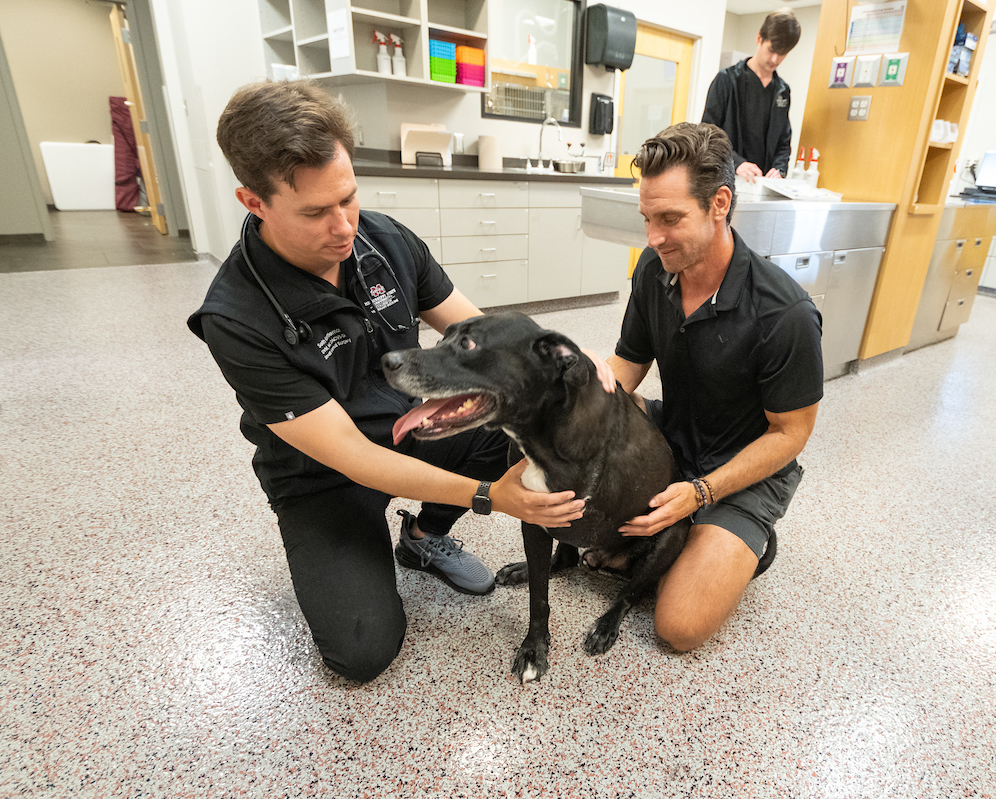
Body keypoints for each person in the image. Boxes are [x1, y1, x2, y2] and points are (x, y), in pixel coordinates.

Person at [187, 80, 606, 683]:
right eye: (315, 212)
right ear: (254, 202)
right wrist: (491, 498)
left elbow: (475, 331)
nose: (343, 226)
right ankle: (369, 542)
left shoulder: (382, 239)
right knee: (362, 652)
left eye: (349, 198)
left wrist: (561, 357)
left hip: (415, 424)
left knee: (525, 424)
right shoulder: (237, 317)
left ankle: (423, 536)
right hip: (324, 476)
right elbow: (354, 456)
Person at [606, 121, 822, 652]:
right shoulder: (653, 274)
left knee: (678, 627)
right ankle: (683, 536)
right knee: (585, 430)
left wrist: (702, 492)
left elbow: (790, 435)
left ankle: (743, 541)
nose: (653, 238)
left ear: (719, 203)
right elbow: (625, 369)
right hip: (675, 433)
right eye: (648, 218)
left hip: (745, 469)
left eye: (670, 219)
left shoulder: (784, 314)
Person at [701, 9, 801, 182]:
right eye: (771, 50)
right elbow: (708, 133)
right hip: (726, 180)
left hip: (763, 184)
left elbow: (784, 143)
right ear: (759, 38)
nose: (775, 59)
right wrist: (737, 163)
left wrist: (779, 168)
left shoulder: (782, 90)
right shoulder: (727, 80)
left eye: (782, 53)